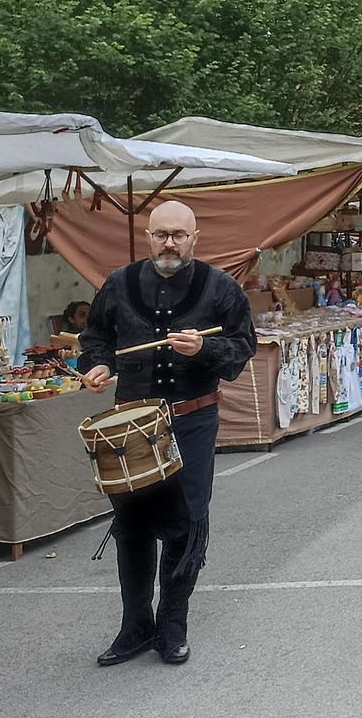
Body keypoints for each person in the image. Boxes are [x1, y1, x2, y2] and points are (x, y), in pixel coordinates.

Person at [77, 200, 257, 667]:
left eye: (179, 234)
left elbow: (242, 349)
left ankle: (172, 625)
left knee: (185, 524)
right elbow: (95, 337)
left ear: (195, 238)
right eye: (161, 234)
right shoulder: (118, 284)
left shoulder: (221, 287)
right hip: (130, 424)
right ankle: (134, 627)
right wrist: (97, 364)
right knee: (132, 526)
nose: (169, 243)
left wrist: (204, 348)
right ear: (148, 237)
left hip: (192, 420)